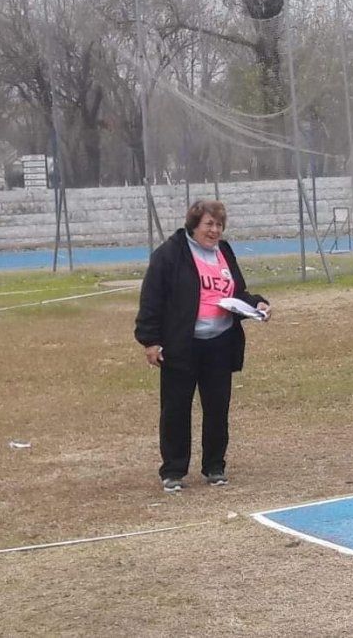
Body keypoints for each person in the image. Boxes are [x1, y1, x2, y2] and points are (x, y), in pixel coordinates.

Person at [135, 199, 270, 493]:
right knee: (176, 409)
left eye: (219, 225)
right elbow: (152, 298)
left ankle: (214, 465)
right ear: (194, 224)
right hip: (182, 345)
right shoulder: (170, 254)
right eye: (209, 224)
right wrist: (150, 340)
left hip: (219, 344)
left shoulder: (224, 252)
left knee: (217, 408)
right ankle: (173, 470)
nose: (215, 230)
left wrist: (257, 304)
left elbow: (238, 291)